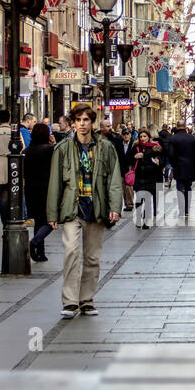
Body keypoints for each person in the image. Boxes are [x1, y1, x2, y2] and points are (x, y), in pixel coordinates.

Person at [46, 104, 122, 318]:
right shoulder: (62, 148)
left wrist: (115, 207)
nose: (82, 124)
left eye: (86, 119)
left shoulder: (106, 147)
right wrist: (52, 214)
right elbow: (55, 183)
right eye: (78, 120)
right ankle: (70, 301)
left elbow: (114, 180)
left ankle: (86, 299)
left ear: (92, 122)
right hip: (72, 207)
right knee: (71, 252)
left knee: (92, 257)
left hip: (95, 207)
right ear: (73, 123)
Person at [25, 122, 55, 261]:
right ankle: (35, 242)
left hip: (31, 189)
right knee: (51, 220)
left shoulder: (26, 151)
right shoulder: (50, 150)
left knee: (39, 220)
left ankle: (40, 252)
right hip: (47, 188)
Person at [164, 123, 195, 223]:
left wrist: (173, 164)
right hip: (190, 166)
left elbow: (171, 154)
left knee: (180, 188)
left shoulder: (173, 139)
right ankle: (187, 209)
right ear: (185, 128)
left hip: (178, 166)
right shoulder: (193, 138)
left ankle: (181, 210)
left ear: (177, 128)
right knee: (188, 187)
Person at [131, 129, 164, 228]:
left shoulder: (155, 148)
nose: (143, 138)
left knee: (148, 200)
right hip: (139, 177)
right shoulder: (136, 147)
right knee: (139, 200)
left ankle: (146, 222)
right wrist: (135, 157)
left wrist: (158, 163)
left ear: (149, 137)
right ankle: (138, 218)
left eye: (145, 136)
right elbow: (128, 160)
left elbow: (161, 161)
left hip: (151, 177)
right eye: (141, 137)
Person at [117, 127, 137, 211]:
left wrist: (132, 166)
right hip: (120, 168)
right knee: (122, 187)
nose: (126, 136)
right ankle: (125, 203)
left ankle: (130, 204)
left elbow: (135, 156)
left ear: (130, 135)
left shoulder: (134, 144)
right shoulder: (118, 144)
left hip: (129, 168)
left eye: (127, 134)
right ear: (122, 135)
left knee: (129, 187)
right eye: (124, 134)